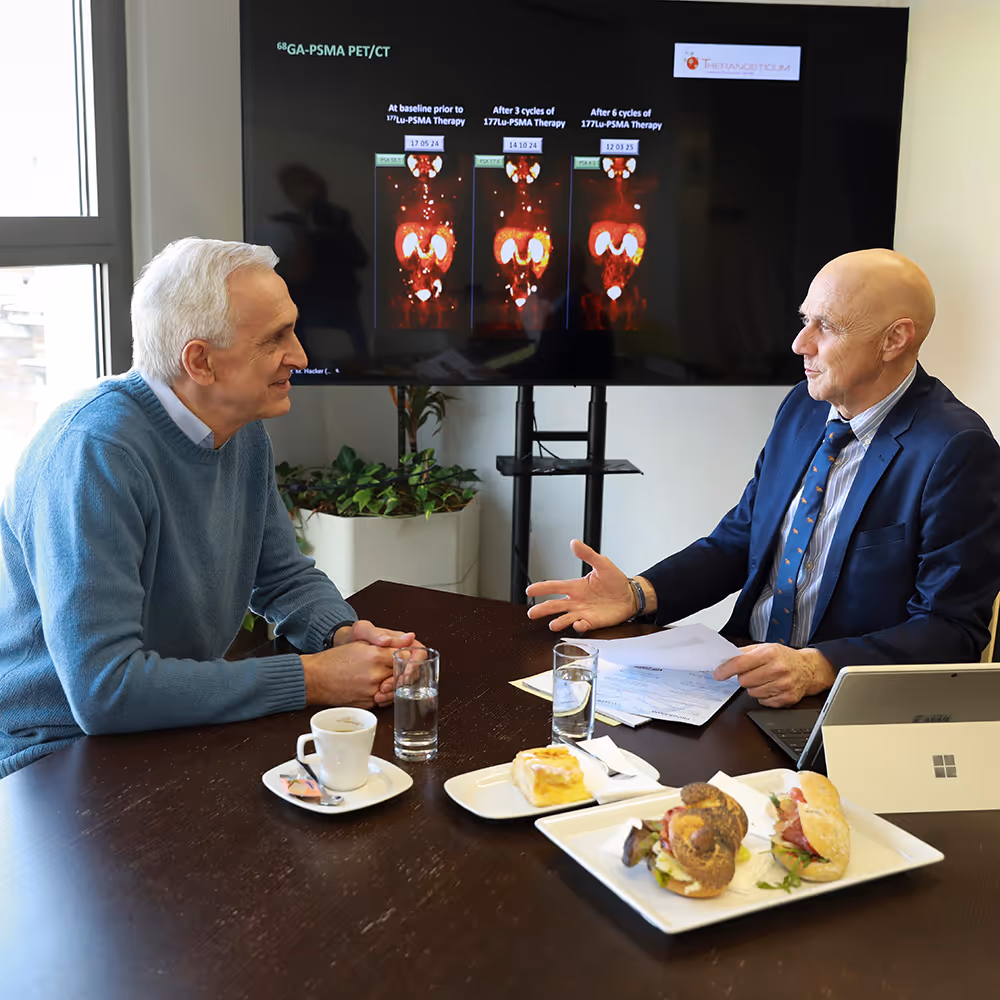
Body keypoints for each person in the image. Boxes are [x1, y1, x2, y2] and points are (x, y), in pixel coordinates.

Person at [0, 238, 416, 778]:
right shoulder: (92, 453)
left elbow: (283, 579)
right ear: (199, 361)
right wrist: (314, 677)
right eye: (276, 339)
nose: (301, 356)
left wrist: (340, 634)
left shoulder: (240, 431)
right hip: (54, 756)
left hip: (168, 727)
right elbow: (107, 690)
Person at [527, 249, 1000, 708]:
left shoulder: (956, 449)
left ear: (895, 339)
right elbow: (741, 540)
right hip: (741, 674)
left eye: (826, 326)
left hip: (833, 707)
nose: (800, 343)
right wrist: (638, 593)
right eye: (804, 320)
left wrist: (818, 667)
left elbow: (952, 629)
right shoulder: (803, 406)